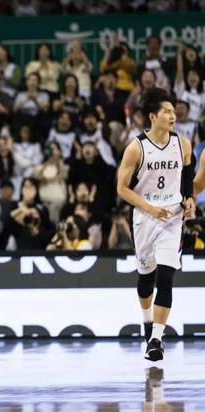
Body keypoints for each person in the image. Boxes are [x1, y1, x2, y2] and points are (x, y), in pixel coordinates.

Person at [116, 87, 193, 362]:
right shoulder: (135, 148)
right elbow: (122, 189)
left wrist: (189, 198)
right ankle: (147, 322)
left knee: (166, 277)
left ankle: (156, 340)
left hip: (172, 217)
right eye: (167, 111)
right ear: (152, 116)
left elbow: (187, 173)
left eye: (174, 111)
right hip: (145, 217)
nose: (173, 115)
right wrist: (149, 207)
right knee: (146, 278)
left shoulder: (182, 144)